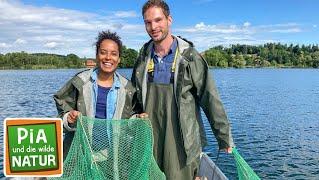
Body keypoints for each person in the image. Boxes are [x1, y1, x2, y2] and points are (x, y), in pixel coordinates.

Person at [131, 0, 235, 179]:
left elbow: (209, 98)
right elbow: (133, 97)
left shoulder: (190, 57)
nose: (153, 27)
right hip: (149, 139)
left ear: (169, 20)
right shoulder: (142, 57)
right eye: (148, 22)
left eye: (158, 20)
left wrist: (223, 136)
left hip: (181, 142)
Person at [54, 30, 137, 159]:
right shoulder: (79, 82)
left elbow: (130, 122)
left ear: (119, 59)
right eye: (103, 52)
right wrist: (68, 119)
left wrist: (138, 119)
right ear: (97, 55)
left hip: (113, 159)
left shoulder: (128, 88)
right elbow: (61, 116)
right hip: (80, 156)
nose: (108, 58)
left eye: (114, 54)